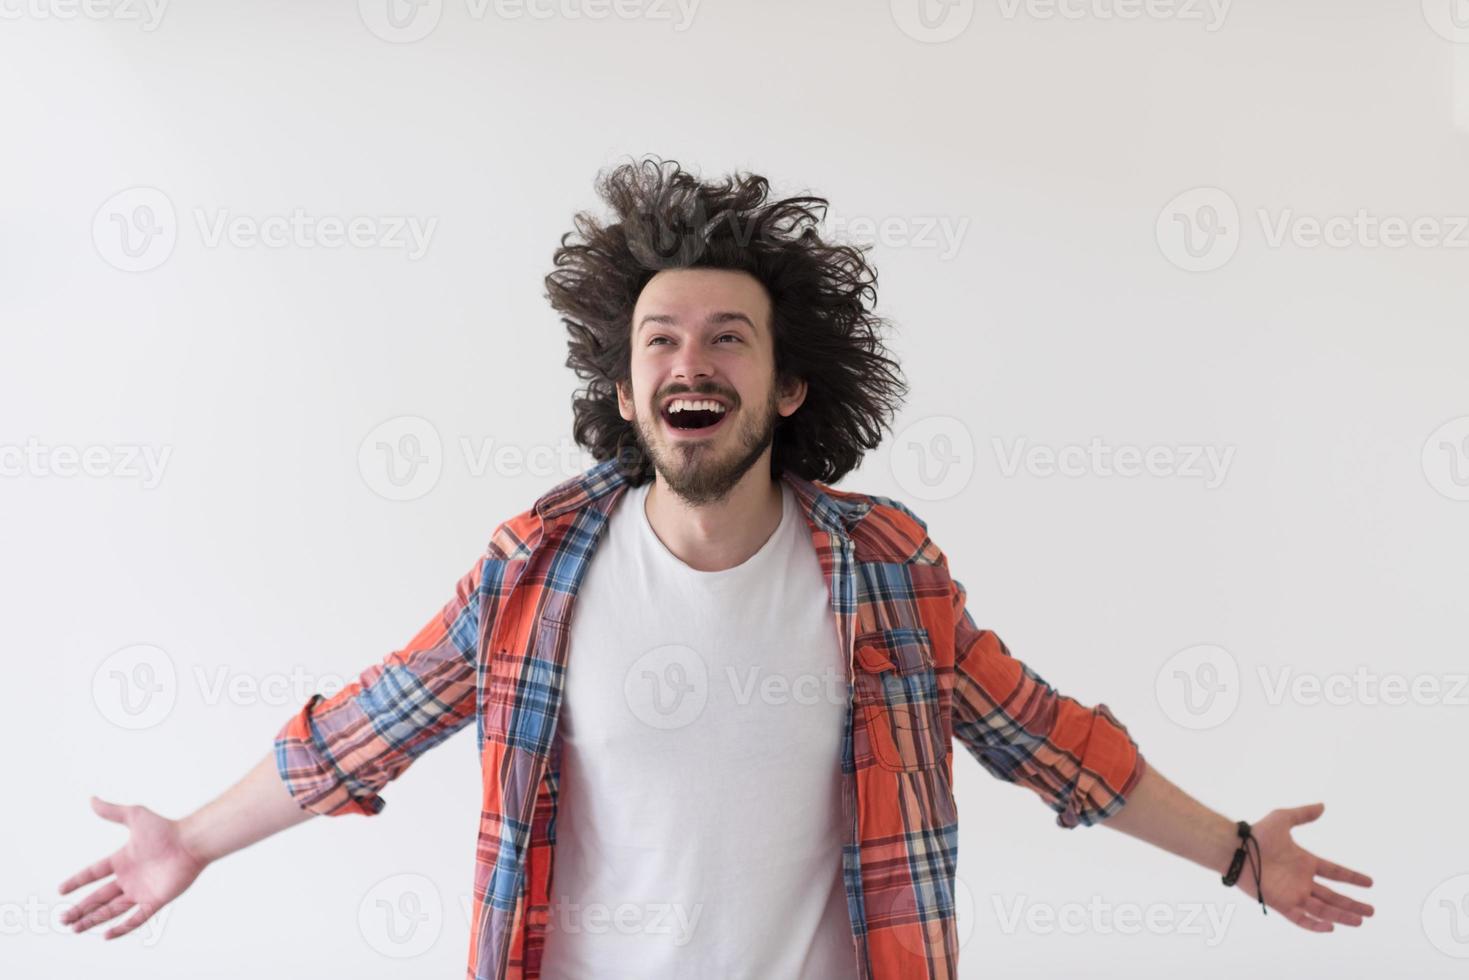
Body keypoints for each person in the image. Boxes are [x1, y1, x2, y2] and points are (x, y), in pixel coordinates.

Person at [59, 157, 1375, 979]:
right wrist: (190, 841)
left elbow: (1045, 740)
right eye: (661, 341)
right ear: (626, 393)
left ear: (788, 383)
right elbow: (365, 729)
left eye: (729, 338)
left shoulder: (885, 575)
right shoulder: (535, 569)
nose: (691, 361)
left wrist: (1233, 854)